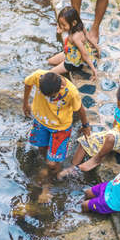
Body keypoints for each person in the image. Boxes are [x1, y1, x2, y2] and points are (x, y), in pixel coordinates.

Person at [23, 70, 90, 202]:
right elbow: (27, 83)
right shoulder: (39, 76)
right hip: (41, 121)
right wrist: (25, 103)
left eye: (50, 96)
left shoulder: (71, 92)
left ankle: (48, 185)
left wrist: (86, 125)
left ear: (61, 87)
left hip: (60, 128)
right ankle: (47, 167)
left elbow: (80, 108)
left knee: (52, 163)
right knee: (42, 149)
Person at [58, 84, 120, 178]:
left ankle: (97, 159)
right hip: (117, 135)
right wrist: (109, 139)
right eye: (119, 105)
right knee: (85, 140)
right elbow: (116, 123)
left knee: (110, 137)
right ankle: (72, 167)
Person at [48, 6, 100, 81]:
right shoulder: (79, 26)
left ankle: (63, 80)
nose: (61, 26)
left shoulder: (76, 37)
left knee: (50, 73)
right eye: (60, 24)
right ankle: (62, 69)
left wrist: (93, 70)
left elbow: (84, 54)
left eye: (63, 25)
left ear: (74, 23)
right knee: (50, 61)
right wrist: (96, 47)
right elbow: (88, 37)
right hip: (70, 53)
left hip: (73, 62)